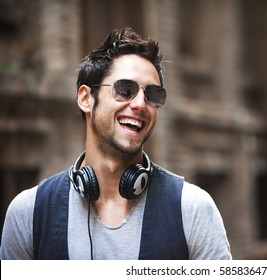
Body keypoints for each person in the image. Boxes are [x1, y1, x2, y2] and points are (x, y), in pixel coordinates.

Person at [0, 27, 231, 260]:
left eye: (153, 95)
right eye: (125, 89)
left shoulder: (193, 209)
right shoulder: (28, 213)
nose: (141, 103)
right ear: (86, 98)